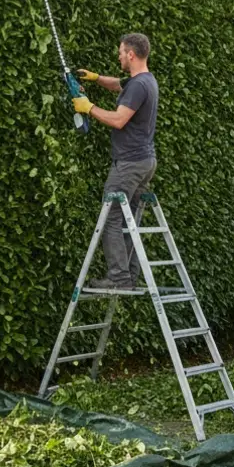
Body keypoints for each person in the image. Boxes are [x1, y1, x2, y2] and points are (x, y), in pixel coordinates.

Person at [72, 32, 159, 290]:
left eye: (121, 52)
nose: (119, 55)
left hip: (130, 163)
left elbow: (119, 120)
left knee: (111, 217)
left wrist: (88, 107)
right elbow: (117, 84)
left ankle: (119, 279)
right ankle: (129, 277)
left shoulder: (139, 86)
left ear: (131, 54)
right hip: (144, 161)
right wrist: (96, 78)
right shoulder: (144, 81)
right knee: (128, 220)